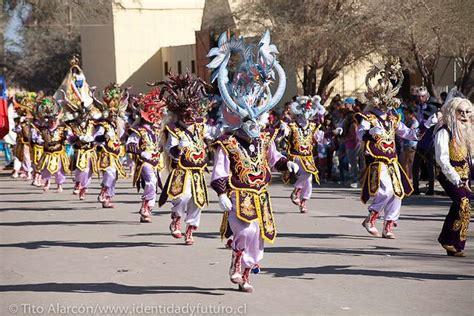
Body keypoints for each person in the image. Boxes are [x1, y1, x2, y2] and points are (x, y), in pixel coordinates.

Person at [207, 30, 299, 292]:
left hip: (260, 197)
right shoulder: (228, 142)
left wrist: (286, 164)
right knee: (245, 232)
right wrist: (221, 193)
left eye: (258, 121)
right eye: (250, 122)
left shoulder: (264, 139)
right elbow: (219, 171)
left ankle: (245, 274)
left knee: (257, 240)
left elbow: (274, 157)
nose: (255, 126)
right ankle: (236, 263)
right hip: (238, 196)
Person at [357, 58, 431, 239]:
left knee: (398, 193)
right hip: (378, 161)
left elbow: (410, 134)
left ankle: (388, 225)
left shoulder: (393, 119)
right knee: (386, 191)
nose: (385, 105)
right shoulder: (368, 118)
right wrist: (370, 133)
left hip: (392, 161)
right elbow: (361, 134)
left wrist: (426, 125)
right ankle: (371, 218)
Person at [154, 73, 217, 246]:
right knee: (183, 197)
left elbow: (213, 135)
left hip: (197, 171)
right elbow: (170, 149)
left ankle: (190, 230)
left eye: (191, 114)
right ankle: (176, 218)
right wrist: (179, 147)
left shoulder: (199, 127)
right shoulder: (174, 130)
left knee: (197, 202)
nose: (189, 117)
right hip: (181, 171)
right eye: (185, 115)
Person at [434, 96, 472, 257]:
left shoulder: (468, 131)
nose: (464, 115)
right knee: (462, 202)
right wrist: (455, 178)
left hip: (465, 173)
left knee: (465, 206)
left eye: (467, 112)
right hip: (448, 173)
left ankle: (454, 242)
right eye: (460, 111)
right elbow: (441, 158)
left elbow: (470, 157)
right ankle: (449, 240)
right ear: (452, 111)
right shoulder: (444, 130)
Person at [126, 89, 166, 222]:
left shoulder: (157, 129)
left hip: (156, 161)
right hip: (144, 161)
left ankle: (148, 208)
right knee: (151, 182)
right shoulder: (137, 130)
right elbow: (130, 146)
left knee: (154, 186)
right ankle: (145, 206)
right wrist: (141, 152)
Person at [281, 95, 324, 213]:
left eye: (309, 109)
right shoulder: (292, 125)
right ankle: (297, 193)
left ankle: (302, 200)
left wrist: (332, 133)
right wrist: (283, 129)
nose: (307, 111)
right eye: (304, 109)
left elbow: (319, 138)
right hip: (296, 156)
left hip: (308, 157)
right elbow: (282, 133)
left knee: (309, 178)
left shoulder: (313, 126)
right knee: (308, 174)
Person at [93, 83, 129, 208]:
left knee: (114, 177)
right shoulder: (103, 125)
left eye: (115, 114)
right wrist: (104, 137)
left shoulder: (118, 126)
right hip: (106, 153)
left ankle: (107, 198)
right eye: (111, 113)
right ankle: (104, 191)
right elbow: (96, 138)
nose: (113, 116)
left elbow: (122, 138)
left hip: (116, 154)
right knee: (110, 173)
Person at [33, 97, 71, 192]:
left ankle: (59, 185)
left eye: (54, 120)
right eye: (50, 120)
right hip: (47, 152)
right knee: (46, 169)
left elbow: (68, 137)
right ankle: (47, 182)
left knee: (59, 170)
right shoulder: (44, 129)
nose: (52, 122)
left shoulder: (62, 128)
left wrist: (66, 139)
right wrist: (39, 140)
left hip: (58, 152)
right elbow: (37, 137)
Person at [412, 86, 438, 195]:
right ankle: (415, 188)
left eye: (422, 96)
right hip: (420, 141)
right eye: (419, 96)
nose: (420, 98)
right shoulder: (418, 107)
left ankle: (431, 189)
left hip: (429, 141)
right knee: (415, 165)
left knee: (430, 165)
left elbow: (432, 122)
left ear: (426, 96)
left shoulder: (432, 107)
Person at [399, 105, 419, 181]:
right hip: (405, 144)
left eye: (406, 114)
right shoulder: (407, 121)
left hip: (412, 145)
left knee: (411, 162)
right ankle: (406, 178)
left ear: (411, 114)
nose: (405, 115)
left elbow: (410, 131)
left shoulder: (415, 122)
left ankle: (412, 178)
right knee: (403, 162)